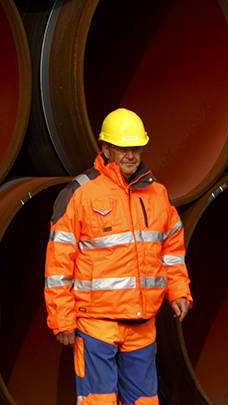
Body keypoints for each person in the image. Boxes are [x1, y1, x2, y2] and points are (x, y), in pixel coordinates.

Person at [44, 107, 193, 405]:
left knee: (144, 403)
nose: (130, 155)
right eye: (123, 148)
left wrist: (178, 291)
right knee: (99, 402)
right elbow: (58, 263)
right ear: (105, 149)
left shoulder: (157, 194)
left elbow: (172, 250)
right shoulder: (80, 195)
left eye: (135, 148)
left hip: (142, 324)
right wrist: (62, 320)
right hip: (96, 324)